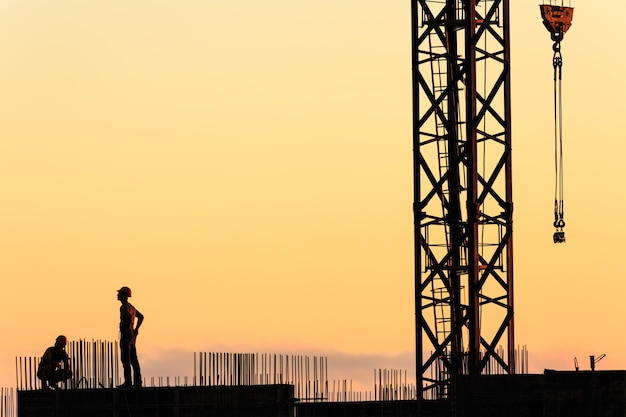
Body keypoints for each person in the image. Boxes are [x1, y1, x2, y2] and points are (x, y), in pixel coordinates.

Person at [117, 286, 144, 387]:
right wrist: (136, 329)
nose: (117, 295)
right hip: (132, 336)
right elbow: (141, 317)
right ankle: (138, 382)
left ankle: (128, 382)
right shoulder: (131, 307)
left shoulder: (124, 307)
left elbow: (128, 316)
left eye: (119, 293)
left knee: (126, 360)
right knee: (134, 360)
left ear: (123, 296)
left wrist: (125, 325)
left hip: (126, 335)